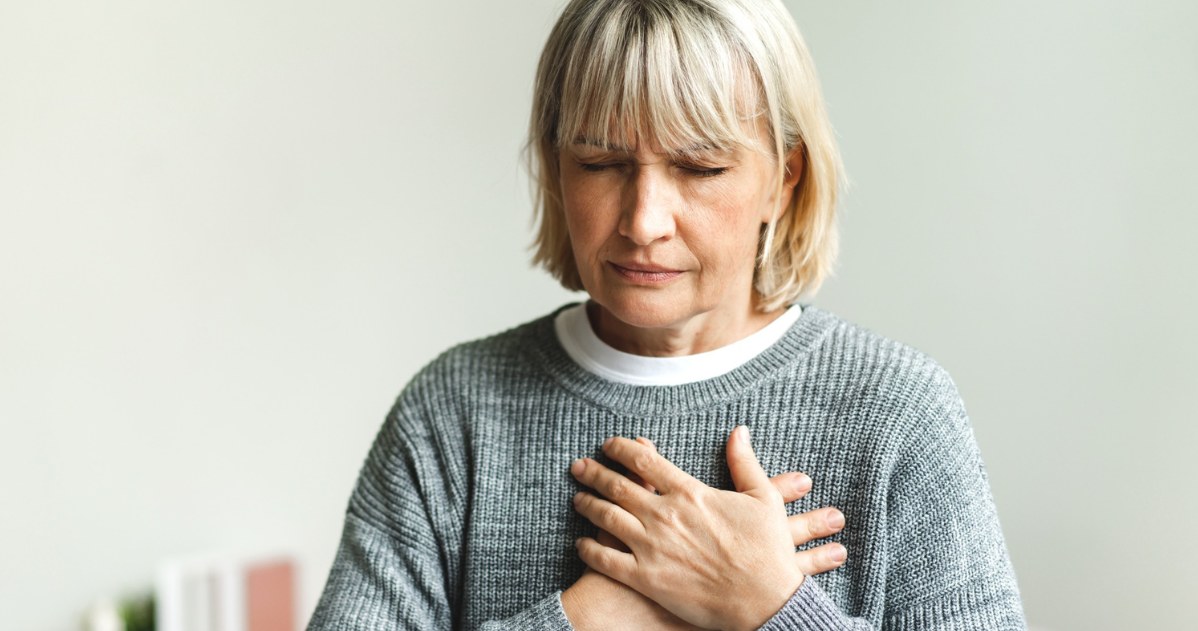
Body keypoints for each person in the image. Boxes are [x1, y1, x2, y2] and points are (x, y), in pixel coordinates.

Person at [308, 0, 1026, 629]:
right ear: (557, 168)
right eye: (599, 162)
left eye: (700, 168)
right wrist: (589, 616)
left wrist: (774, 606)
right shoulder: (455, 412)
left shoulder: (899, 411)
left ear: (784, 177)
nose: (645, 220)